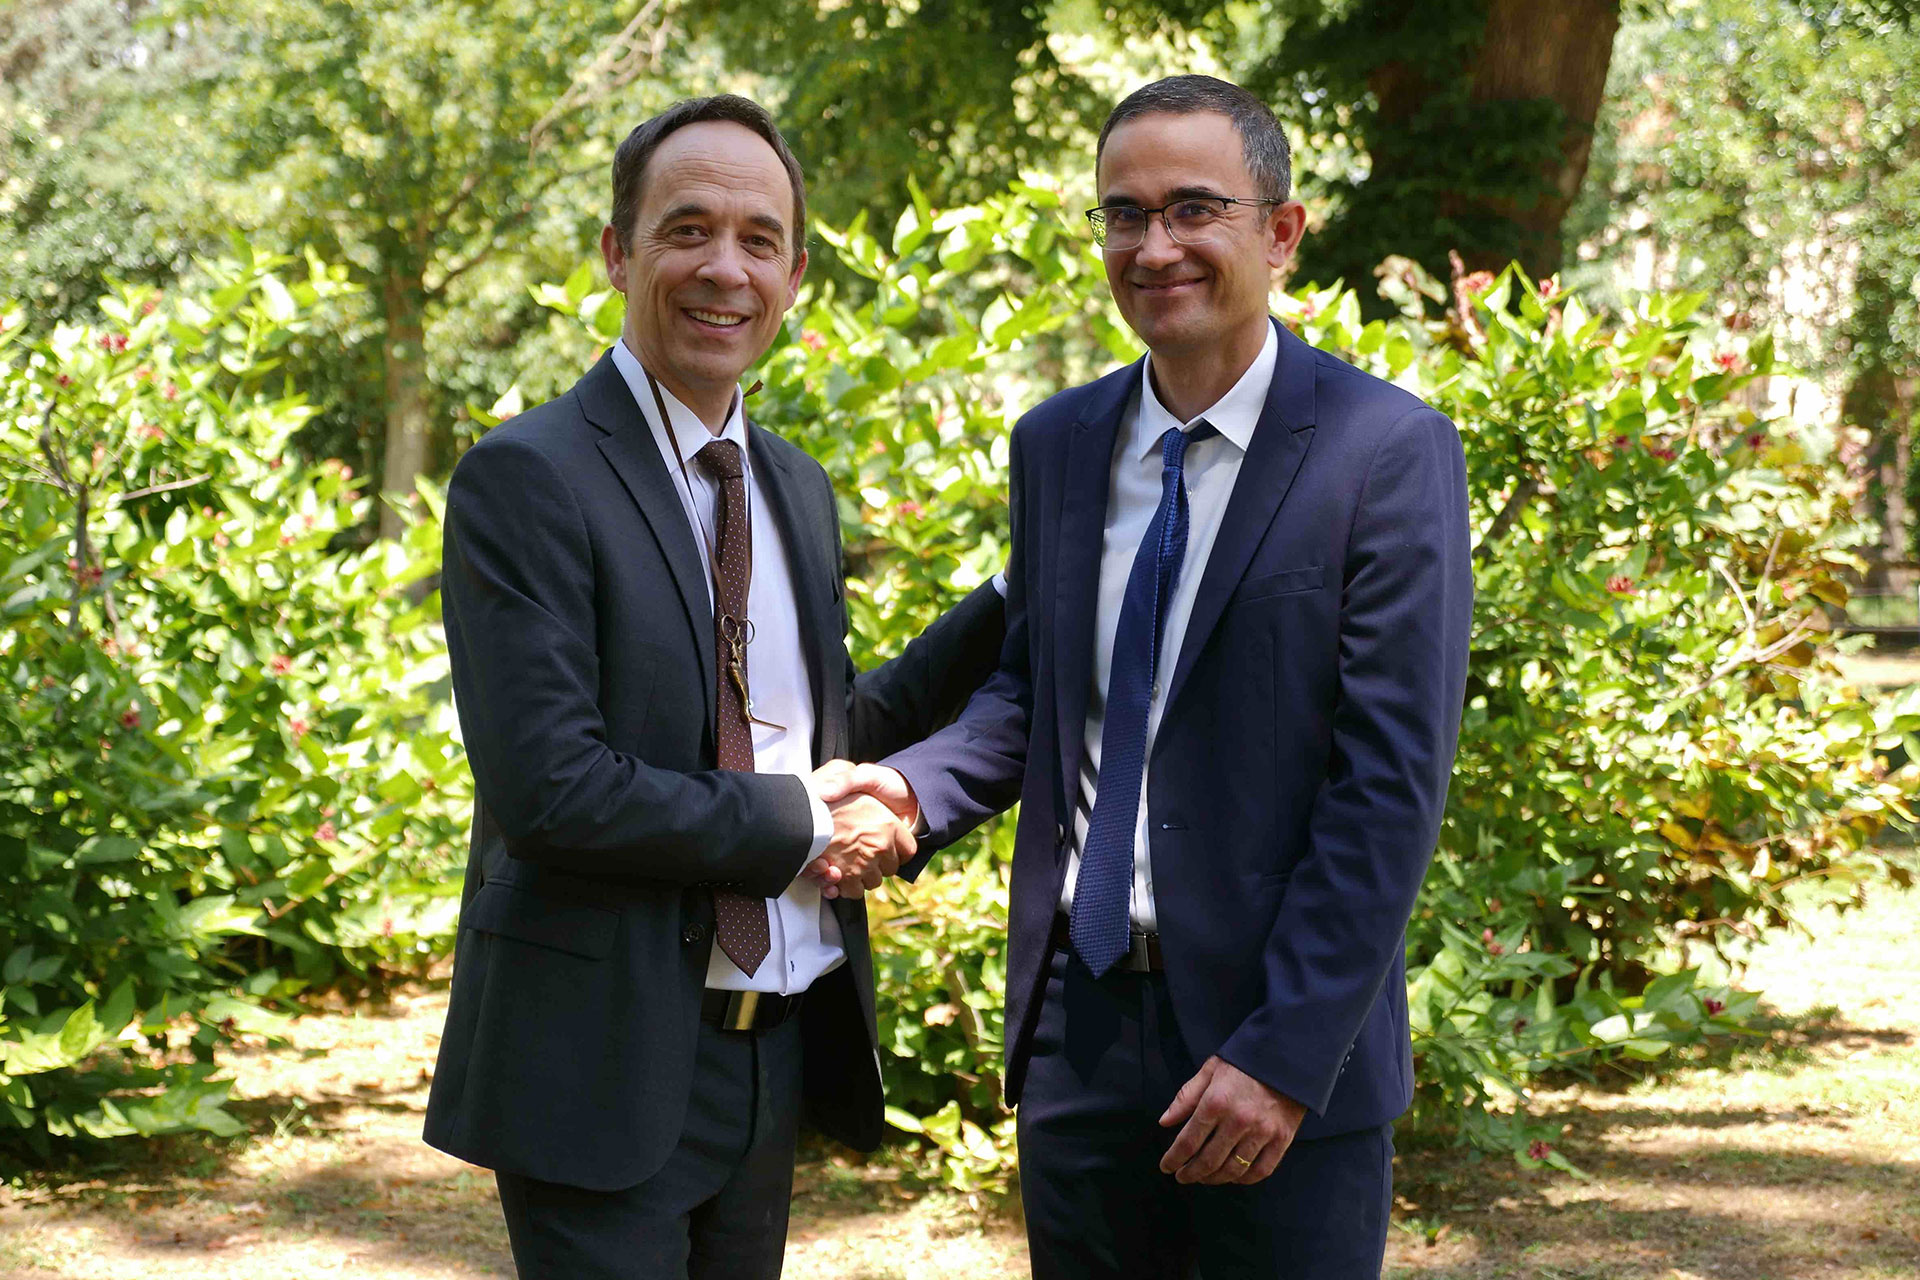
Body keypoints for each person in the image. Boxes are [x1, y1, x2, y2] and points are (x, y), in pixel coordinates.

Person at [823, 75, 1472, 1277]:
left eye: (1193, 209)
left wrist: (1283, 1052)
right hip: (1077, 1032)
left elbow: (1388, 783)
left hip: (1275, 1046)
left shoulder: (1385, 451)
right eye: (1124, 214)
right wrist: (913, 790)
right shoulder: (1059, 444)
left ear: (1280, 232)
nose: (1154, 245)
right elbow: (1037, 690)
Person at [421, 94, 1005, 1280]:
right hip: (602, 1058)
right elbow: (552, 788)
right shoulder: (526, 478)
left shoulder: (794, 485)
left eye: (758, 239)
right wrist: (804, 821)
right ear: (617, 251)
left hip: (770, 1053)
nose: (724, 268)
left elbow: (823, 733)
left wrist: (1016, 589)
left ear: (794, 274)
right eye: (687, 230)